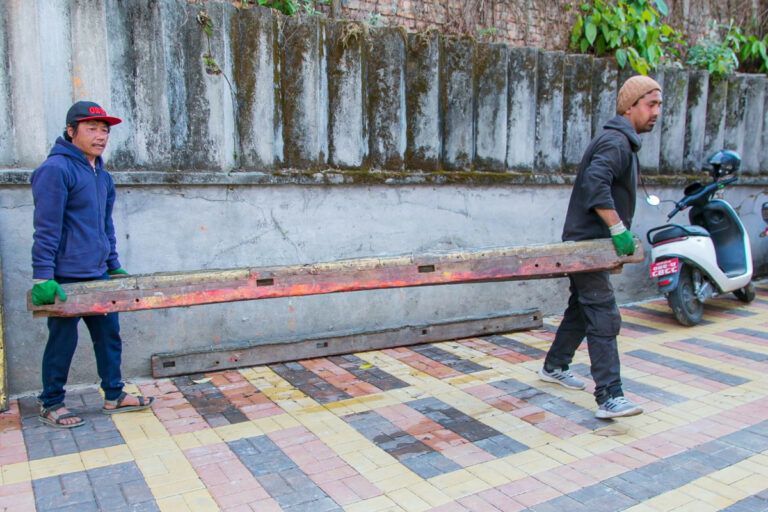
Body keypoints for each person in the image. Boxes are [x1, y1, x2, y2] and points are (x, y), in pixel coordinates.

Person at [538, 76, 662, 419]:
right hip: (587, 246)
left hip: (589, 243)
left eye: (658, 105)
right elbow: (596, 184)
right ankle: (610, 396)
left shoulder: (621, 142)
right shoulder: (615, 142)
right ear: (629, 106)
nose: (656, 112)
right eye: (650, 104)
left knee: (582, 309)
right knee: (604, 314)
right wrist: (618, 228)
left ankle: (554, 365)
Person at [30, 101, 154, 428]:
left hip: (98, 275)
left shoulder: (102, 175)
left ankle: (114, 395)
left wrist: (112, 265)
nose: (100, 136)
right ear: (71, 131)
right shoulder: (55, 170)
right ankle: (51, 403)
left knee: (109, 335)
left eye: (104, 130)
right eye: (92, 129)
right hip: (65, 278)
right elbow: (46, 227)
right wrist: (42, 276)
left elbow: (105, 226)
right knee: (62, 341)